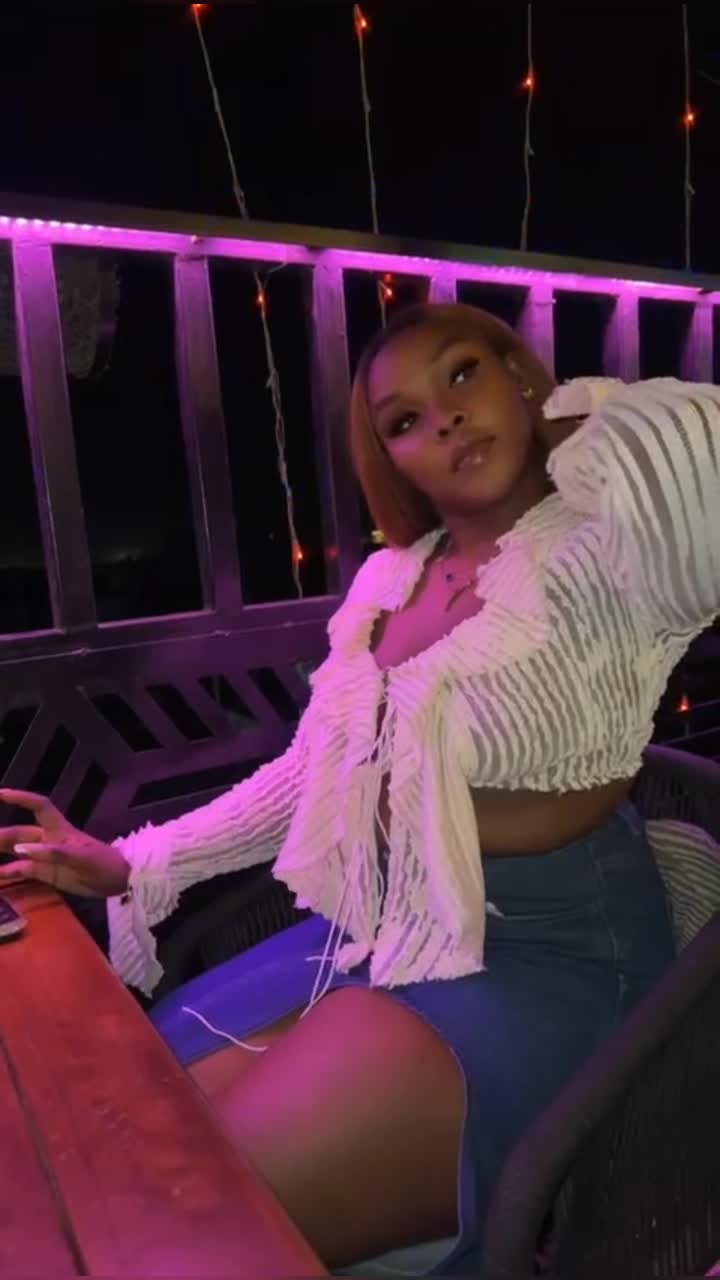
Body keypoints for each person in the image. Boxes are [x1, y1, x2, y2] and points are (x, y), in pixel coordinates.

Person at [1, 302, 719, 1276]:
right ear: (394, 459)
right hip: (383, 932)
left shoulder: (612, 554)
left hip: (546, 954)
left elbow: (705, 448)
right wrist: (133, 859)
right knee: (116, 1140)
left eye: (464, 375)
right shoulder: (390, 579)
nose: (446, 419)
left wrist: (577, 416)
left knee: (181, 1223)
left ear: (518, 375)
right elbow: (311, 774)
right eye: (405, 420)